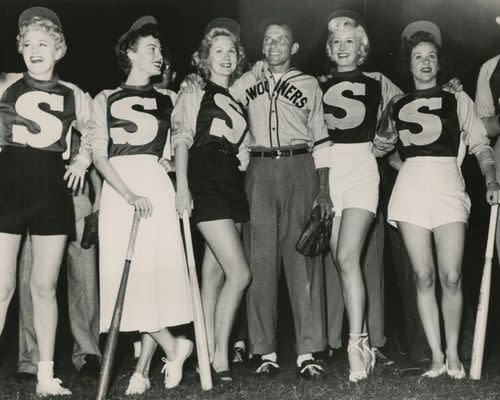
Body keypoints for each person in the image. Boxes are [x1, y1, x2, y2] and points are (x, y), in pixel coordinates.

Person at [375, 20, 500, 379]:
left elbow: (480, 144)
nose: (425, 62)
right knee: (424, 276)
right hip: (411, 191)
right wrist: (396, 159)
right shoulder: (397, 102)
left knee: (451, 275)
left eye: (431, 56)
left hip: (448, 188)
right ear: (409, 64)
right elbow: (380, 147)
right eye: (418, 57)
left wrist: (491, 179)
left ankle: (453, 355)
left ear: (438, 63)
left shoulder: (457, 97)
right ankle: (435, 357)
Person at [91, 16, 193, 395]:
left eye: (160, 50)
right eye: (151, 49)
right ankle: (173, 346)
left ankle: (152, 361)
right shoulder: (104, 98)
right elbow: (99, 156)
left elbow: (179, 144)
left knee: (153, 279)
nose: (160, 56)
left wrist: (179, 183)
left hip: (156, 188)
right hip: (121, 192)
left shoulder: (170, 99)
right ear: (130, 53)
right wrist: (128, 194)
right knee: (124, 280)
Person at [228, 19, 334, 379]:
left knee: (302, 260)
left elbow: (320, 138)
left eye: (282, 40)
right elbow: (220, 96)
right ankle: (265, 350)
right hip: (258, 167)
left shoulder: (309, 84)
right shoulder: (248, 82)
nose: (274, 46)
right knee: (260, 260)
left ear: (294, 48)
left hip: (299, 166)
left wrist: (324, 189)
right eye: (269, 40)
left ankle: (308, 351)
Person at [0, 7, 94, 396]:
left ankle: (44, 375)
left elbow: (93, 132)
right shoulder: (4, 83)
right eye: (28, 44)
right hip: (9, 186)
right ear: (19, 49)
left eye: (44, 43)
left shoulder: (75, 94)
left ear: (60, 49)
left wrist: (83, 158)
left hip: (53, 191)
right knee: (2, 285)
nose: (36, 50)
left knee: (44, 286)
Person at [320, 10, 402, 382]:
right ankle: (364, 339)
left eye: (349, 41)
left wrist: (383, 145)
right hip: (328, 170)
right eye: (336, 41)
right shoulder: (316, 82)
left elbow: (407, 107)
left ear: (361, 48)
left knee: (349, 255)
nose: (342, 47)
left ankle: (356, 346)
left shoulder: (378, 80)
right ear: (328, 48)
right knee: (341, 259)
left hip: (362, 168)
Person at [172, 18, 251, 382]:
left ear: (238, 58)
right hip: (204, 176)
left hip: (231, 179)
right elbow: (183, 139)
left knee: (215, 272)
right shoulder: (193, 90)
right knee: (241, 272)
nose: (225, 57)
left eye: (230, 51)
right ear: (205, 58)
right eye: (217, 51)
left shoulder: (237, 97)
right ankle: (219, 356)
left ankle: (202, 354)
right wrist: (182, 185)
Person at [17, 128, 101, 380]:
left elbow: (95, 155)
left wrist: (98, 200)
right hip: (38, 191)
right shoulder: (26, 101)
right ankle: (31, 358)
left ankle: (88, 353)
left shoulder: (75, 101)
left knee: (85, 275)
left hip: (77, 192)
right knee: (31, 276)